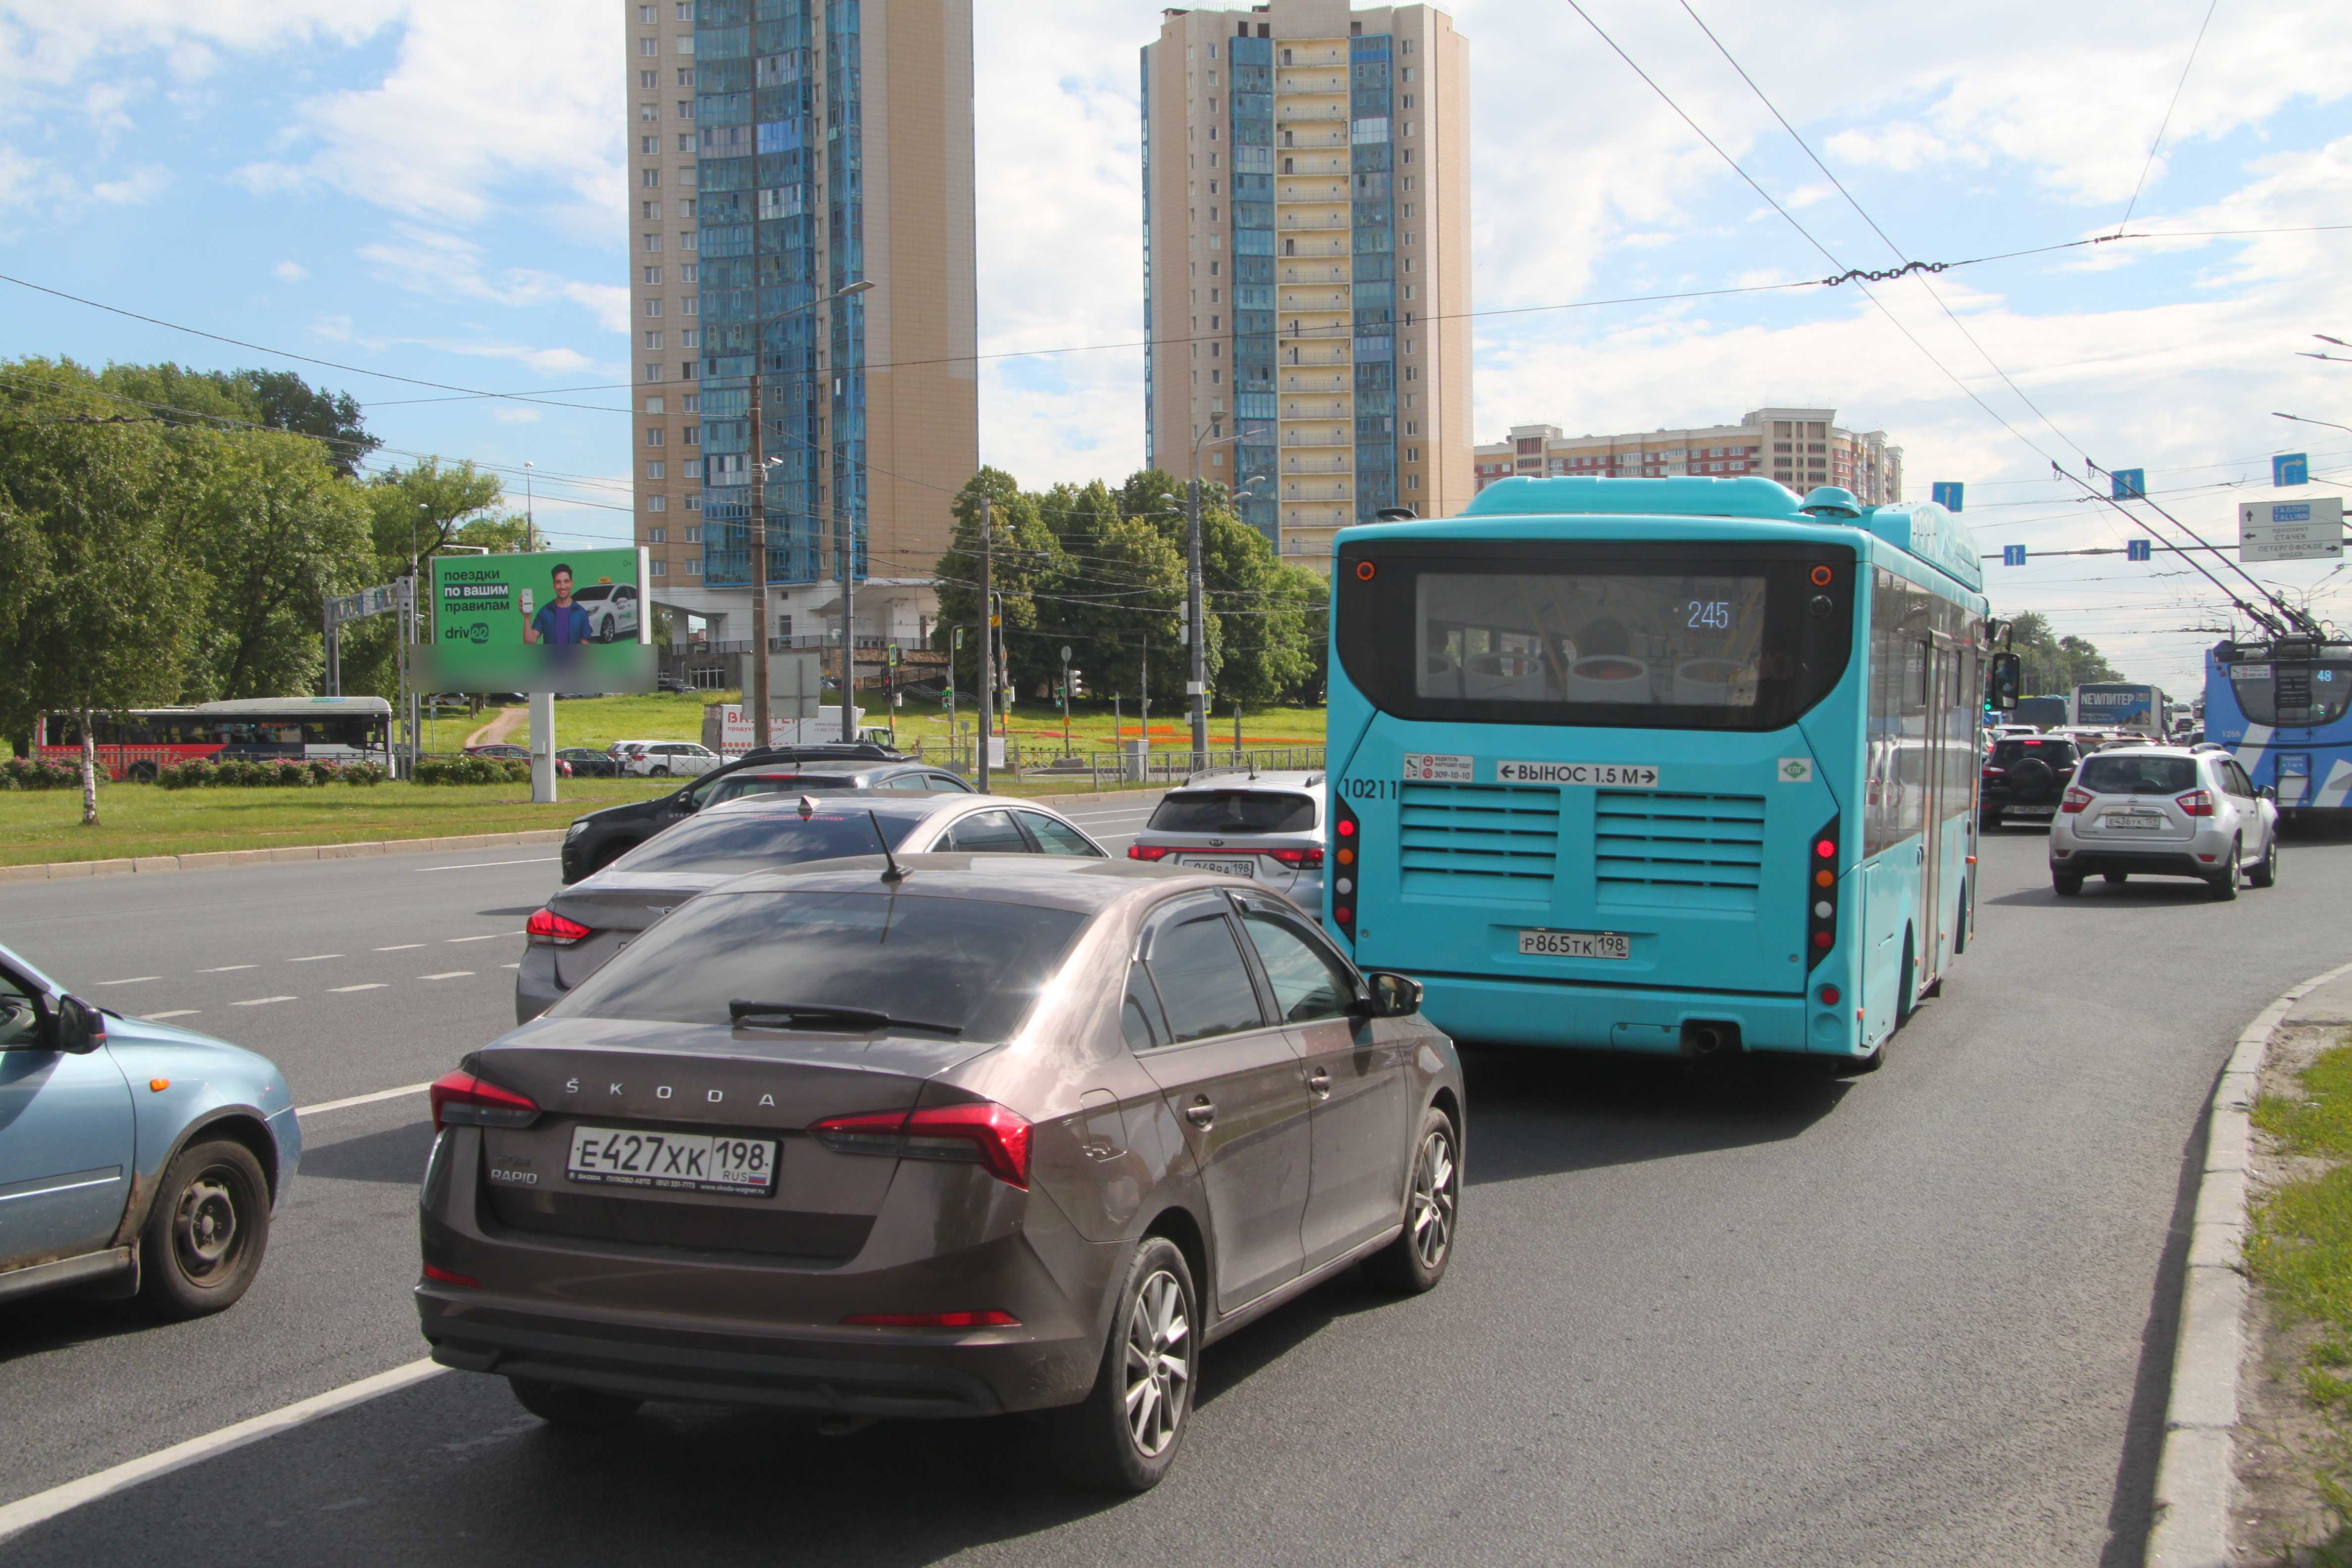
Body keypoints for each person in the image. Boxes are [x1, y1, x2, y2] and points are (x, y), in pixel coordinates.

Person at [522, 564, 593, 645]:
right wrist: (527, 617)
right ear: (554, 585)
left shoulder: (581, 613)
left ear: (571, 583)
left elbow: (585, 645)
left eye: (566, 581)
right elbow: (529, 642)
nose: (562, 586)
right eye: (558, 582)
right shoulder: (544, 612)